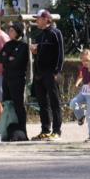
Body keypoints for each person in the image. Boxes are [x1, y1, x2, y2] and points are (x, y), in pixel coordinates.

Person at [30, 9, 64, 140]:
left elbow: (61, 54)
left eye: (38, 18)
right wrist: (35, 51)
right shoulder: (40, 35)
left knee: (55, 102)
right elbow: (41, 53)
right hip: (40, 74)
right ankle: (45, 129)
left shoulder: (56, 33)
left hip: (51, 73)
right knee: (42, 103)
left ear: (46, 19)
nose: (36, 21)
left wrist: (57, 72)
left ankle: (57, 131)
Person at [0, 21, 29, 141]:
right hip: (7, 78)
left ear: (18, 32)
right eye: (9, 30)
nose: (9, 32)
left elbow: (17, 62)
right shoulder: (8, 44)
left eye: (12, 30)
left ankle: (22, 131)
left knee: (18, 105)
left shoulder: (23, 46)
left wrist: (8, 58)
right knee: (8, 104)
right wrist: (8, 57)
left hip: (17, 79)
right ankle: (9, 129)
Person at [68, 49, 90, 142]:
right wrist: (77, 84)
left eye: (87, 60)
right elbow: (81, 76)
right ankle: (81, 116)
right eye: (83, 60)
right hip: (84, 91)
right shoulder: (83, 68)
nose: (85, 62)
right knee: (73, 103)